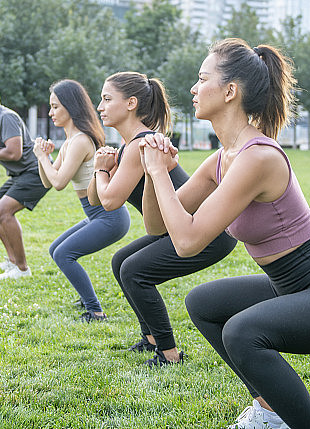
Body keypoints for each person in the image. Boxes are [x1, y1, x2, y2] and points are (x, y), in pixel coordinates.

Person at [139, 39, 310, 429]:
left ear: (230, 91)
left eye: (202, 79)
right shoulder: (223, 158)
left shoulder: (258, 157)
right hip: (291, 284)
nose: (194, 89)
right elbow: (157, 226)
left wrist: (161, 172)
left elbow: (187, 241)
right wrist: (153, 173)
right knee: (204, 303)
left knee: (242, 331)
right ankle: (269, 412)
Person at [88, 71, 236, 367]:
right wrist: (101, 167)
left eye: (106, 99)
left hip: (207, 231)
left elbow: (109, 200)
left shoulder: (140, 145)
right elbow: (95, 197)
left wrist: (102, 171)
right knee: (121, 262)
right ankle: (152, 338)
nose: (100, 107)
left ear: (130, 103)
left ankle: (169, 354)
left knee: (134, 271)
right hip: (172, 229)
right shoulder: (127, 147)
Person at [32, 80, 131, 322]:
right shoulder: (70, 142)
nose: (51, 112)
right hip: (96, 215)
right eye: (50, 107)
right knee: (56, 250)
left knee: (64, 254)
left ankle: (95, 311)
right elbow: (47, 181)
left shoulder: (80, 141)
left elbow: (59, 182)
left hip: (110, 217)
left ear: (70, 106)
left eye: (55, 107)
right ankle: (85, 298)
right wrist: (43, 157)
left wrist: (42, 157)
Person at [0, 80, 49, 279]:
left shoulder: (6, 117)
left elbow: (14, 153)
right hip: (19, 174)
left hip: (36, 171)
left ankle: (22, 269)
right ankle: (12, 261)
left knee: (4, 210)